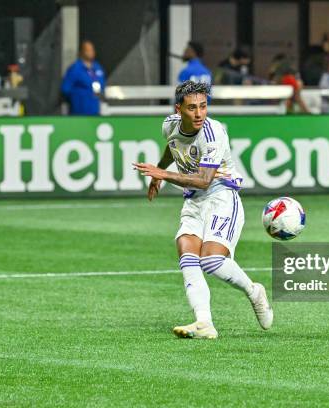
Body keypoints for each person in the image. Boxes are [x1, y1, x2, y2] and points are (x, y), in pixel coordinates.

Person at [132, 81, 273, 339]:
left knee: (211, 261)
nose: (199, 114)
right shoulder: (169, 125)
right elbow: (173, 145)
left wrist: (163, 173)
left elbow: (204, 180)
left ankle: (253, 291)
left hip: (221, 196)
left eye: (203, 106)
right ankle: (204, 322)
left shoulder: (213, 133)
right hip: (194, 201)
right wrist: (158, 174)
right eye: (192, 108)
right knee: (187, 255)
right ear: (178, 110)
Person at [61, 40, 106, 116]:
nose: (91, 52)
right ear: (81, 52)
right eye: (88, 50)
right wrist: (79, 96)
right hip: (79, 113)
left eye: (92, 50)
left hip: (95, 111)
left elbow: (101, 85)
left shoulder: (97, 67)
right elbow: (66, 89)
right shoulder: (75, 69)